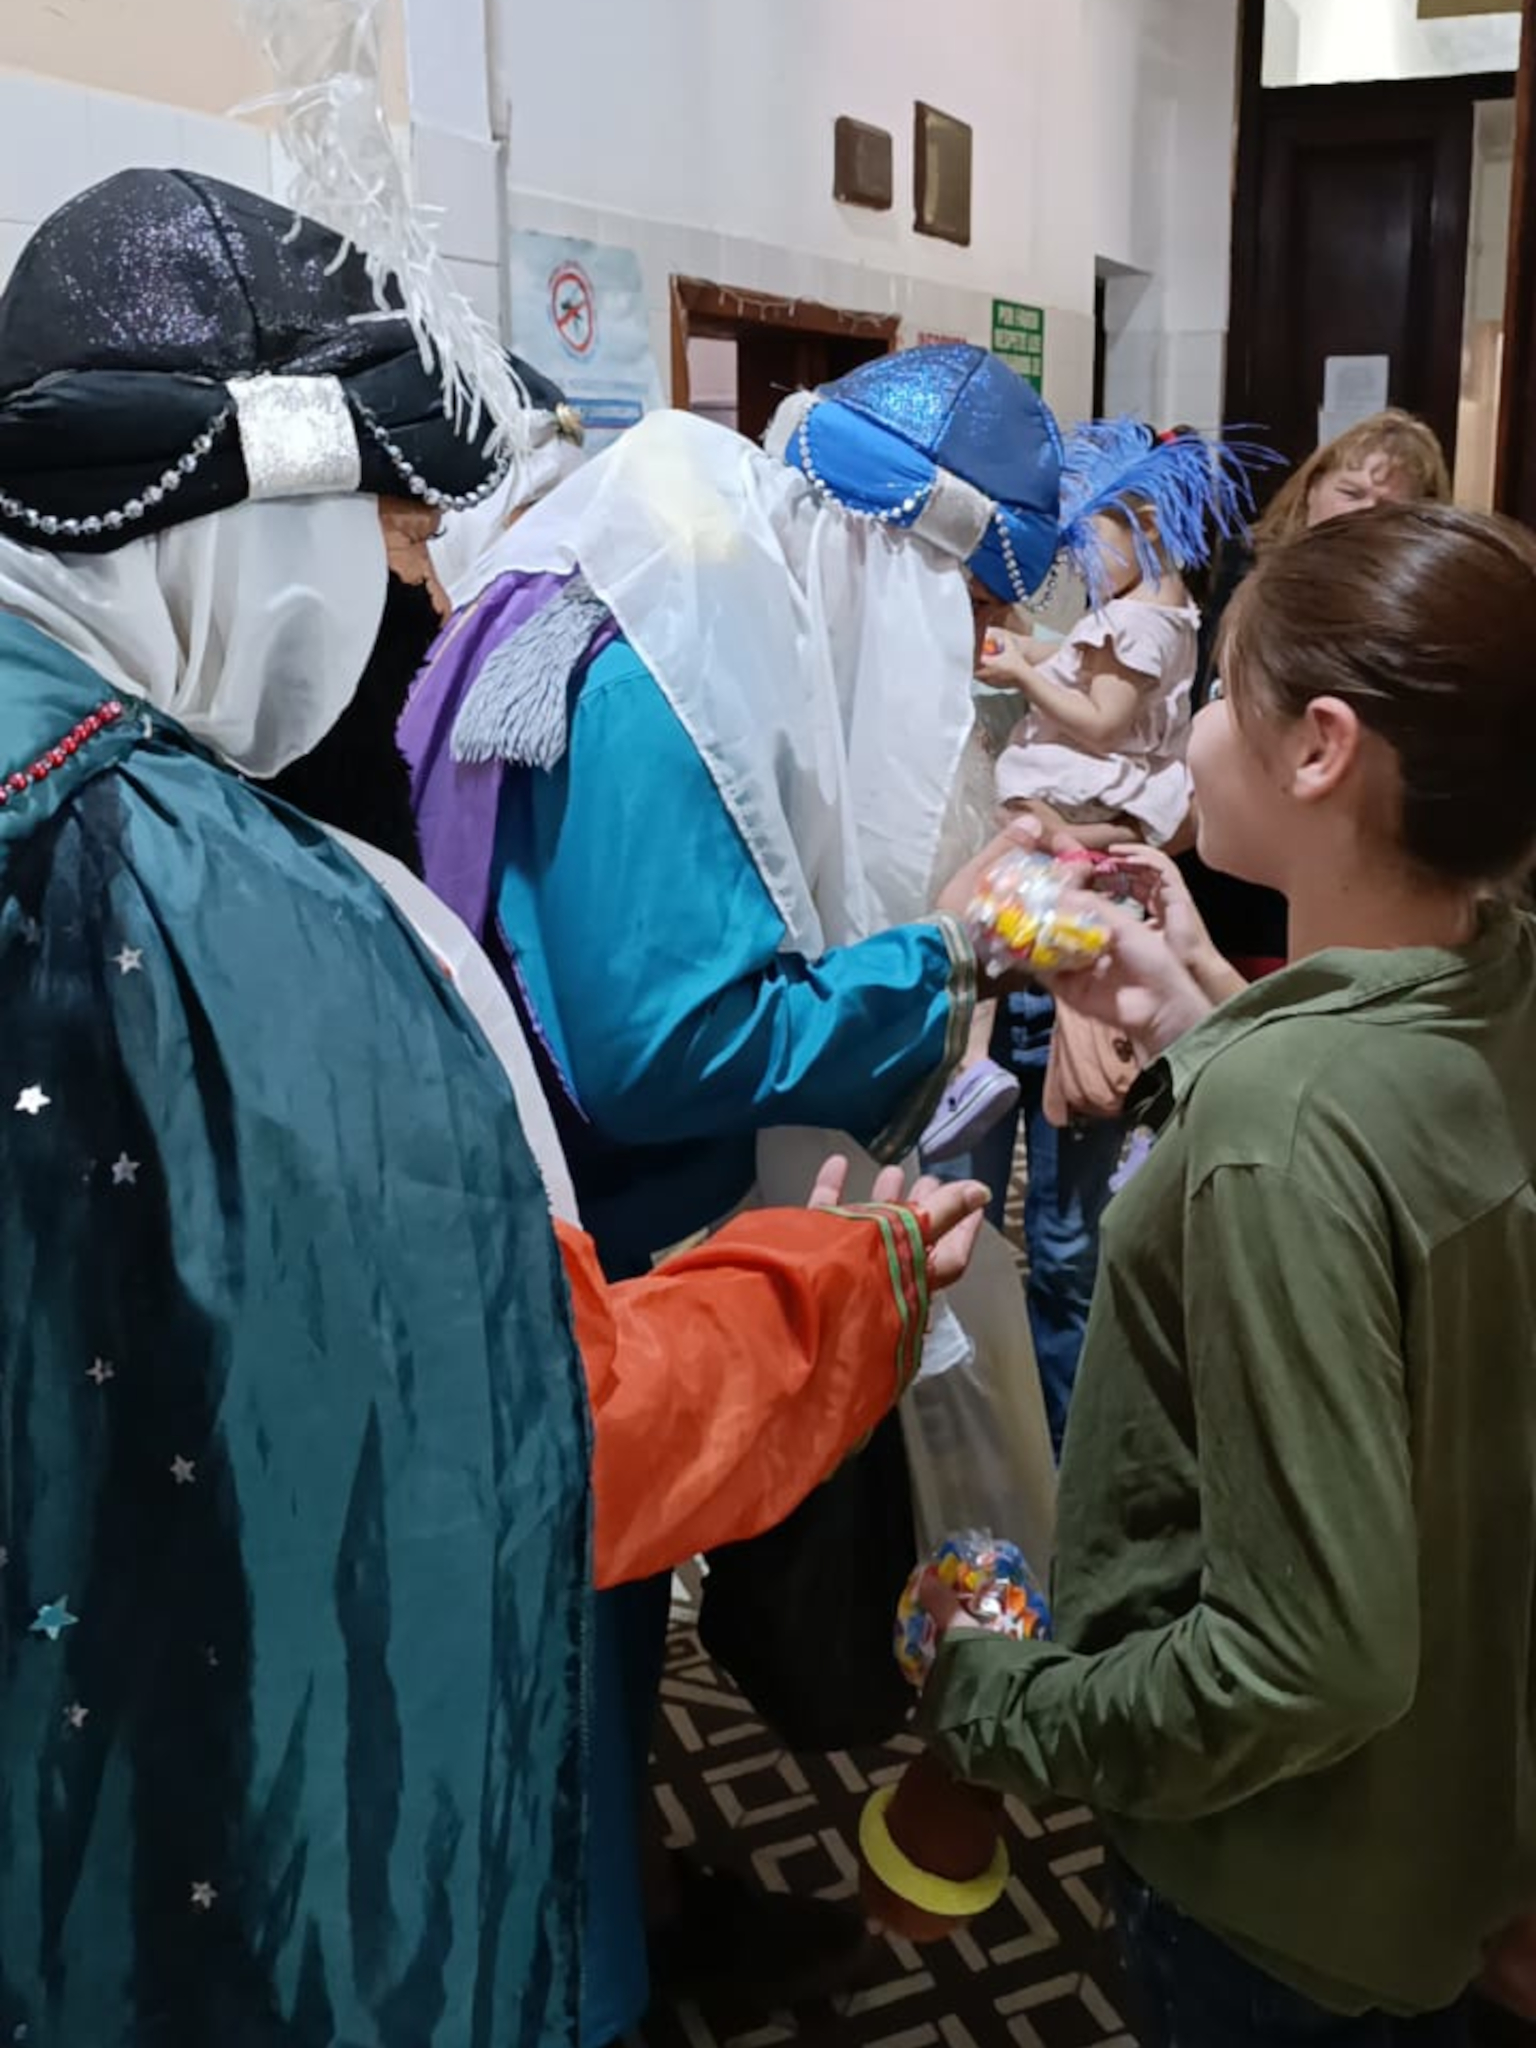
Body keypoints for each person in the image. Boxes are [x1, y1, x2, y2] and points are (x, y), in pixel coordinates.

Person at [0, 166, 989, 2048]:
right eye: (388, 522)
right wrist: (856, 1236)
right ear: (253, 505)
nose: (415, 581)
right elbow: (541, 1419)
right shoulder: (256, 917)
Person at [400, 341, 1068, 2042]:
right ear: (897, 563)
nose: (967, 673)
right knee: (575, 1640)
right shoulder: (675, 652)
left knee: (573, 1640)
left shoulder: (647, 557)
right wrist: (947, 955)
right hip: (593, 1236)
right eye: (962, 625)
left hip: (520, 1197)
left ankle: (627, 1897)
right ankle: (591, 1980)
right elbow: (667, 1041)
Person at [917, 500, 1536, 2047]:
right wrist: (1203, 1006)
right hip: (1451, 1823)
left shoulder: (1281, 1125)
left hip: (1283, 1896)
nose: (1188, 733)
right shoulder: (1497, 987)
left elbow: (1306, 1659)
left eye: (1216, 697)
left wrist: (1008, 1705)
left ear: (1320, 749)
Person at [923, 420, 1252, 1167]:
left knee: (987, 899)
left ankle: (970, 1063)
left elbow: (1102, 718)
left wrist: (1022, 674)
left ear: (1145, 526)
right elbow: (1077, 657)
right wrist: (1027, 649)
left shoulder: (1136, 624)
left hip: (1080, 801)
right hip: (1097, 818)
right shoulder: (1157, 615)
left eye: (1089, 547)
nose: (1084, 571)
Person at [1181, 407, 1451, 982]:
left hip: (1310, 883)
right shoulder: (1245, 571)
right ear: (1311, 491)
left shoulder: (1405, 620)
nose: (1362, 512)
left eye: (1388, 506)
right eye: (1350, 491)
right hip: (1215, 848)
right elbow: (1202, 693)